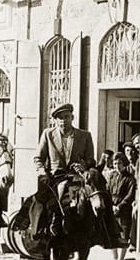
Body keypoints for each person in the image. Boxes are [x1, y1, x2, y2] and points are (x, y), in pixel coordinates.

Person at [33, 103, 124, 246]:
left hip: (79, 176)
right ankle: (39, 233)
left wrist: (84, 165)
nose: (64, 121)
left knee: (100, 194)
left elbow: (91, 159)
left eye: (67, 117)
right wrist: (43, 173)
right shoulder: (48, 134)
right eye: (60, 118)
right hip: (55, 177)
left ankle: (111, 233)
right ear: (55, 121)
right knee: (40, 201)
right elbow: (38, 159)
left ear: (72, 117)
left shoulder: (84, 135)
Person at [107, 152, 137, 260]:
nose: (117, 166)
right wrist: (110, 205)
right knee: (112, 234)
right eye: (115, 163)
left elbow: (130, 195)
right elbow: (107, 190)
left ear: (124, 163)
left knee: (123, 235)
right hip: (112, 208)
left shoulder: (129, 177)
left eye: (119, 163)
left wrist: (119, 206)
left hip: (124, 209)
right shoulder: (112, 176)